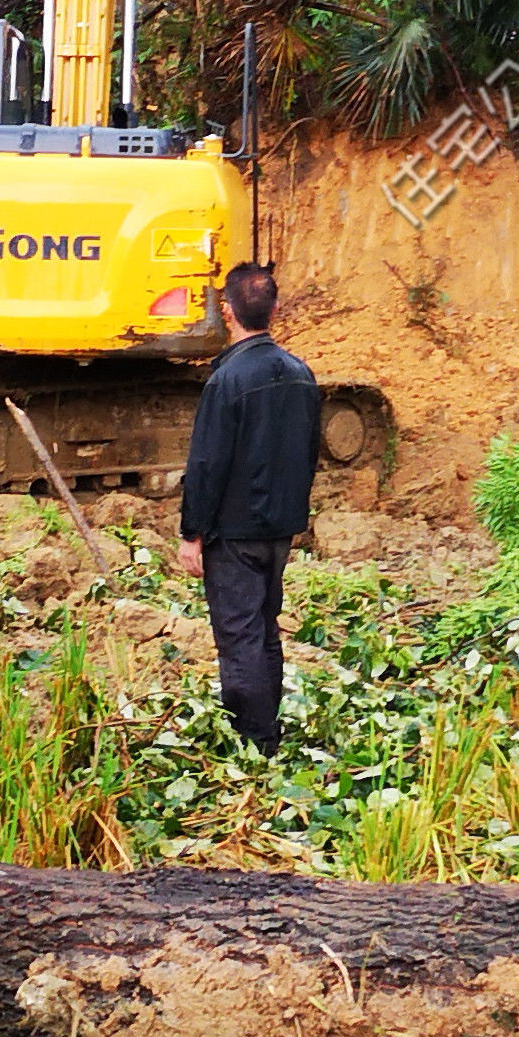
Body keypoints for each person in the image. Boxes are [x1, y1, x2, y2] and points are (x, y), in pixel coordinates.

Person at [178, 261, 320, 749]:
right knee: (264, 629)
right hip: (279, 530)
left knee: (239, 639)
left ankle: (254, 744)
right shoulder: (301, 375)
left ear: (227, 311)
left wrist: (192, 534)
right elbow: (308, 453)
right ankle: (269, 730)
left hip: (234, 534)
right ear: (275, 310)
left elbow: (207, 465)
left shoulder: (226, 382)